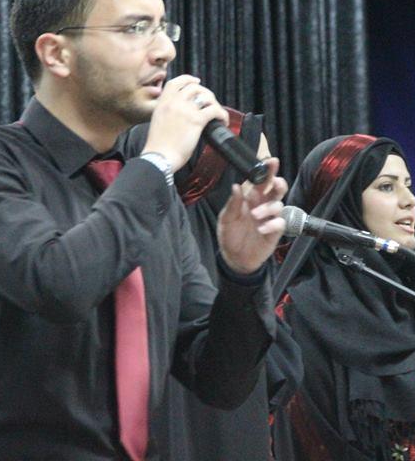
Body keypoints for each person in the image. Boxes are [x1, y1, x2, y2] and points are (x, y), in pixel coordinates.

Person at [0, 0, 288, 460]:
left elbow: (219, 381)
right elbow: (60, 284)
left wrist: (243, 273)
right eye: (135, 29)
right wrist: (160, 158)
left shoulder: (149, 191)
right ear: (56, 53)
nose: (164, 50)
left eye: (163, 28)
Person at [271, 134, 415, 461]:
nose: (410, 200)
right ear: (342, 202)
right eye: (387, 187)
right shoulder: (300, 313)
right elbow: (311, 442)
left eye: (409, 185)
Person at [118, 111, 302, 460]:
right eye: (254, 169)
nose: (273, 186)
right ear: (211, 175)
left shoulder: (247, 270)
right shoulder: (148, 263)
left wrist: (244, 274)